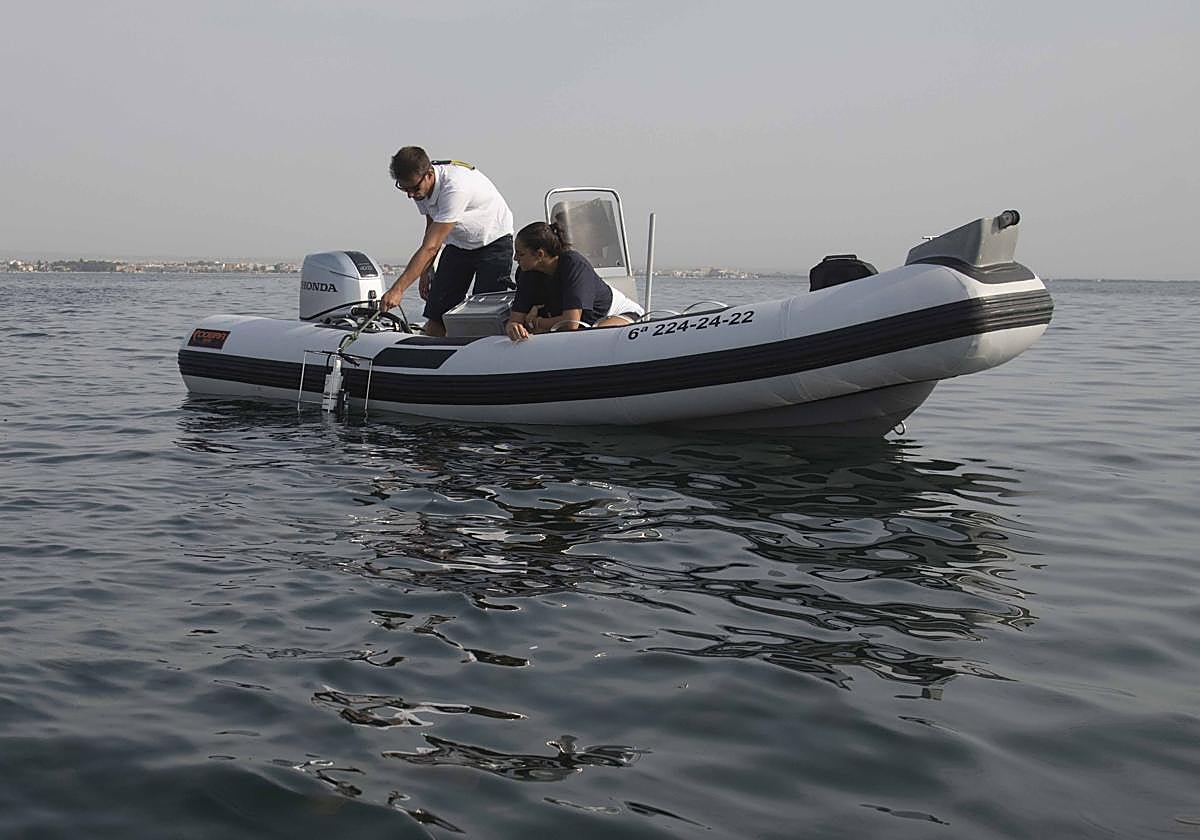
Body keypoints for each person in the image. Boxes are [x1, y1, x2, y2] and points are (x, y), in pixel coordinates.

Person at [379, 147, 514, 336]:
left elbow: (432, 246)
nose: (410, 195)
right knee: (437, 313)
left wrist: (397, 289)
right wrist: (425, 272)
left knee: (486, 315)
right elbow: (431, 227)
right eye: (404, 189)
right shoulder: (419, 189)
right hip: (459, 244)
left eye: (414, 188)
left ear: (428, 175)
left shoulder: (455, 187)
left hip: (493, 241)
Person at [505, 221, 644, 342]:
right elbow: (515, 320)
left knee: (597, 335)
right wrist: (514, 327)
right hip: (579, 326)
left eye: (520, 254)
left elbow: (571, 323)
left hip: (617, 314)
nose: (515, 258)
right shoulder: (526, 273)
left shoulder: (573, 265)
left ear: (540, 254)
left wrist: (536, 322)